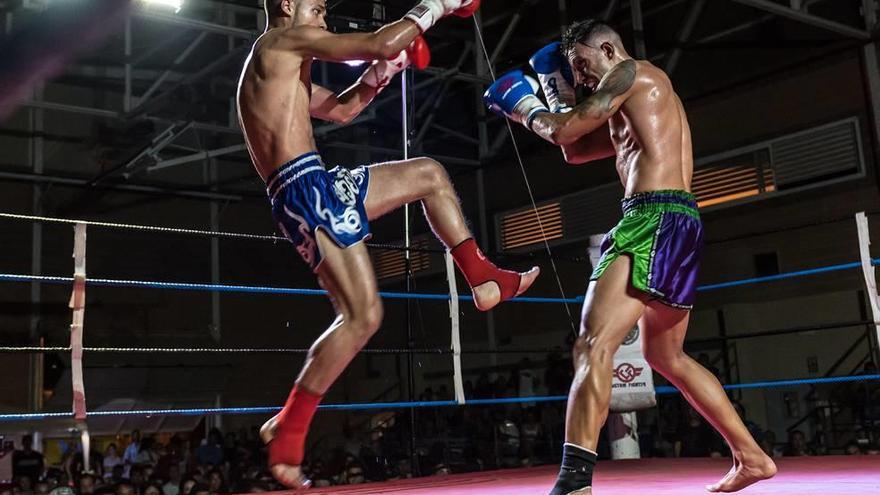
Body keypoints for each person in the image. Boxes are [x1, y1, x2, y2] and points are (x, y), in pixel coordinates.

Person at [236, 0, 538, 488]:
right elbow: (380, 39)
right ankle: (289, 432)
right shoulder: (279, 42)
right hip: (305, 191)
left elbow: (342, 109)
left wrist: (380, 74)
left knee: (430, 174)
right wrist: (437, 5)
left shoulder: (284, 64)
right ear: (287, 4)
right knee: (362, 317)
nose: (325, 18)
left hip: (315, 183)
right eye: (316, 7)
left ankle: (483, 278)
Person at [483, 19, 777, 494]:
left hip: (651, 218)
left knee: (592, 343)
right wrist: (556, 95)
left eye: (581, 65)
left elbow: (560, 132)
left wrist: (523, 107)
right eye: (573, 71)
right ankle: (753, 456)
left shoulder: (631, 73)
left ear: (607, 49)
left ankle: (574, 482)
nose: (579, 77)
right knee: (666, 355)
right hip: (679, 222)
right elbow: (575, 151)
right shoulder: (633, 101)